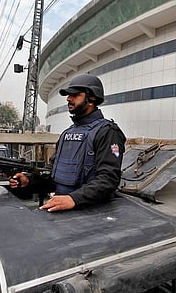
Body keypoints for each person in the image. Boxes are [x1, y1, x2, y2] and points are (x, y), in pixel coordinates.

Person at [9, 73, 126, 213]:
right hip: (61, 209)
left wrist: (73, 199)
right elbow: (53, 173)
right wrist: (29, 180)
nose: (68, 99)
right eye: (69, 95)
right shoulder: (67, 133)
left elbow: (108, 180)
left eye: (75, 95)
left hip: (91, 214)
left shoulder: (107, 132)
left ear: (92, 98)